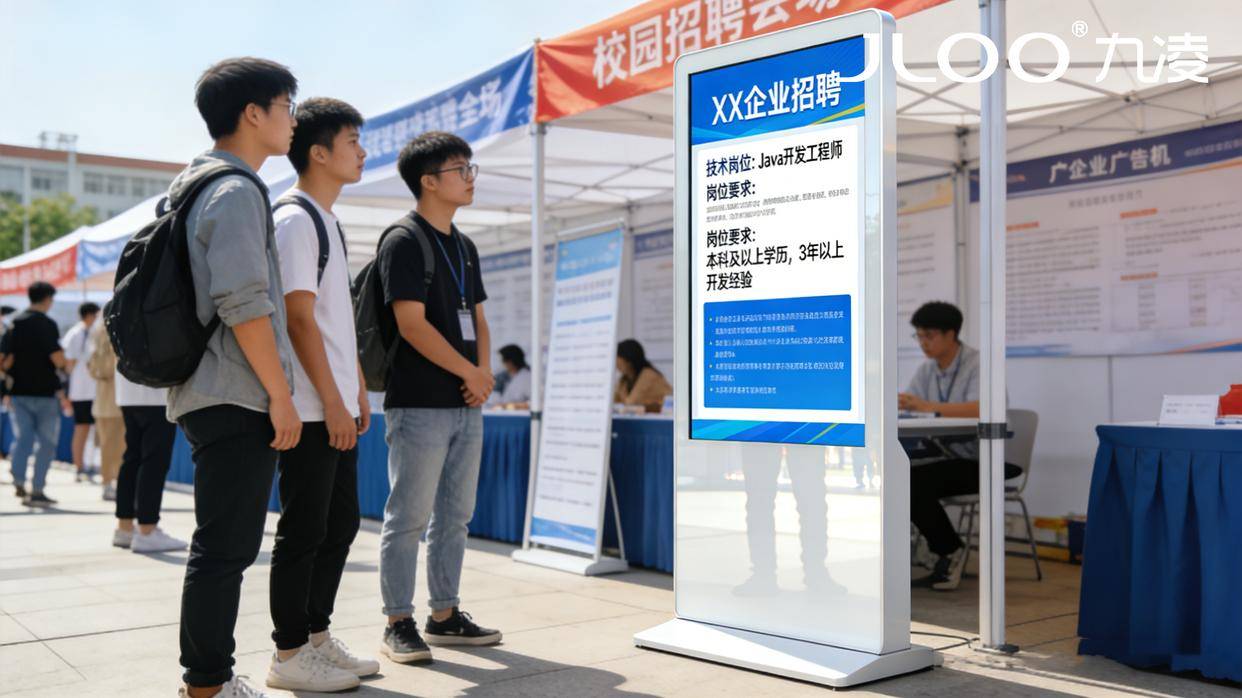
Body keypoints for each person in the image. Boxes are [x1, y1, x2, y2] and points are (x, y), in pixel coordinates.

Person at [172, 57, 302, 698]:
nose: (293, 121)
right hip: (233, 390)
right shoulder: (236, 190)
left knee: (221, 544)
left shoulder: (196, 185)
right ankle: (208, 685)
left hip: (210, 388)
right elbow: (245, 303)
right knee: (225, 548)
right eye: (286, 108)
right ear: (254, 113)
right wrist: (280, 394)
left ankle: (207, 681)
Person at [377, 131, 501, 664]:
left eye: (471, 168)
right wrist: (470, 372)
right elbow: (411, 325)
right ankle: (398, 621)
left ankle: (444, 615)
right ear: (428, 181)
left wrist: (483, 373)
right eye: (460, 169)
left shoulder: (464, 246)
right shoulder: (403, 240)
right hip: (419, 404)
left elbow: (479, 318)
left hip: (465, 403)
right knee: (408, 517)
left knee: (455, 516)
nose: (470, 178)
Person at [265, 97, 376, 692]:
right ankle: (288, 654)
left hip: (335, 402)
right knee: (304, 530)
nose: (363, 152)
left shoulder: (329, 221)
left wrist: (356, 389)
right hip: (310, 408)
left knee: (340, 525)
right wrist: (332, 401)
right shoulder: (295, 219)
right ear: (318, 153)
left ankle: (315, 636)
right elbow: (299, 319)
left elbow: (338, 323)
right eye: (353, 141)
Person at [899, 301, 1021, 591]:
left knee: (912, 482)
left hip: (983, 459)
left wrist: (927, 406)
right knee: (896, 473)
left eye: (929, 335)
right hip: (943, 456)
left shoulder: (979, 365)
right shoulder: (927, 370)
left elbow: (985, 408)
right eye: (919, 336)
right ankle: (925, 550)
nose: (923, 342)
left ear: (951, 334)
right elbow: (912, 404)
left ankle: (949, 552)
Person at [3, 282, 69, 506]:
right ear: (47, 298)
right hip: (46, 392)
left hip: (18, 392)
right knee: (47, 443)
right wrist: (66, 368)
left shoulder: (15, 323)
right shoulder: (47, 324)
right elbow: (58, 359)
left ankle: (18, 478)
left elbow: (4, 360)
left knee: (23, 438)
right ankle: (38, 489)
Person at [62, 302, 101, 482]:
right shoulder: (76, 333)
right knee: (82, 429)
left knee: (96, 430)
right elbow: (68, 364)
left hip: (94, 390)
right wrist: (67, 392)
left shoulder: (95, 332)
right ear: (89, 315)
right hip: (81, 391)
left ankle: (92, 464)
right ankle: (79, 466)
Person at [86, 321, 124, 502]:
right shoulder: (109, 332)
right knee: (113, 447)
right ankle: (109, 483)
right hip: (113, 401)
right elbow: (105, 369)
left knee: (109, 446)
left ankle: (110, 483)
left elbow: (93, 368)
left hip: (105, 401)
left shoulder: (98, 331)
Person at [614, 339, 671, 412]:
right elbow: (614, 402)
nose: (616, 363)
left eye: (617, 358)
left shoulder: (648, 375)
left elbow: (631, 403)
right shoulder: (624, 380)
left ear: (628, 359)